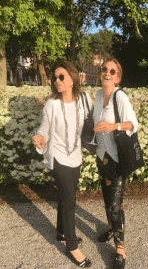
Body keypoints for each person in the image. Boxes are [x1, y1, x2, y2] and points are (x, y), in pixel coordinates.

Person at [32, 61, 92, 268]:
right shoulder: (52, 104)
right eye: (54, 77)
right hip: (57, 155)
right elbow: (44, 130)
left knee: (64, 197)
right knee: (70, 199)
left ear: (72, 79)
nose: (56, 81)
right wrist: (41, 139)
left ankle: (60, 232)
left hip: (76, 154)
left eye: (61, 77)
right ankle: (72, 246)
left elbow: (91, 123)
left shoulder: (84, 99)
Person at [93, 58, 138, 269]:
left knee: (115, 204)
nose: (107, 73)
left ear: (117, 76)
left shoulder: (120, 96)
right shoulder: (98, 95)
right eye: (104, 69)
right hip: (101, 156)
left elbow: (133, 124)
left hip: (116, 158)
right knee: (106, 198)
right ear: (100, 72)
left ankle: (120, 249)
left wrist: (113, 126)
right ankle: (113, 227)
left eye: (112, 70)